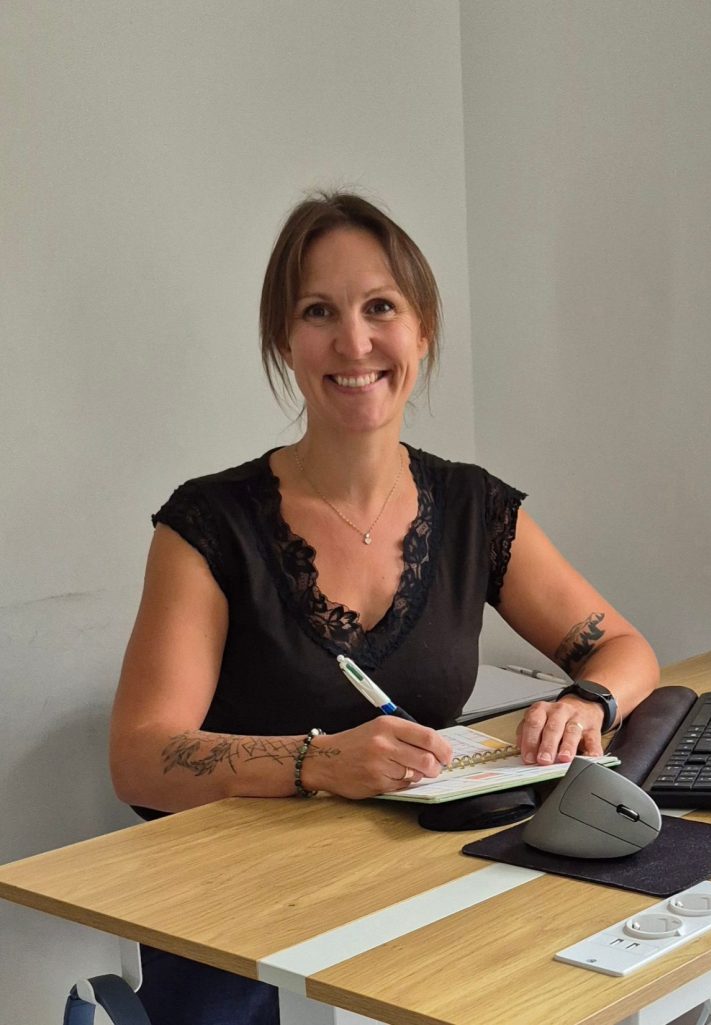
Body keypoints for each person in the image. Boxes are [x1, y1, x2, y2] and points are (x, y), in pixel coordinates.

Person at [109, 190, 660, 1024]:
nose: (354, 342)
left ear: (422, 330)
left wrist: (588, 701)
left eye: (380, 308)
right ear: (283, 340)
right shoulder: (207, 523)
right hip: (232, 926)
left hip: (410, 897)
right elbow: (139, 756)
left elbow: (623, 646)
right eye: (318, 312)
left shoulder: (473, 507)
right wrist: (316, 762)